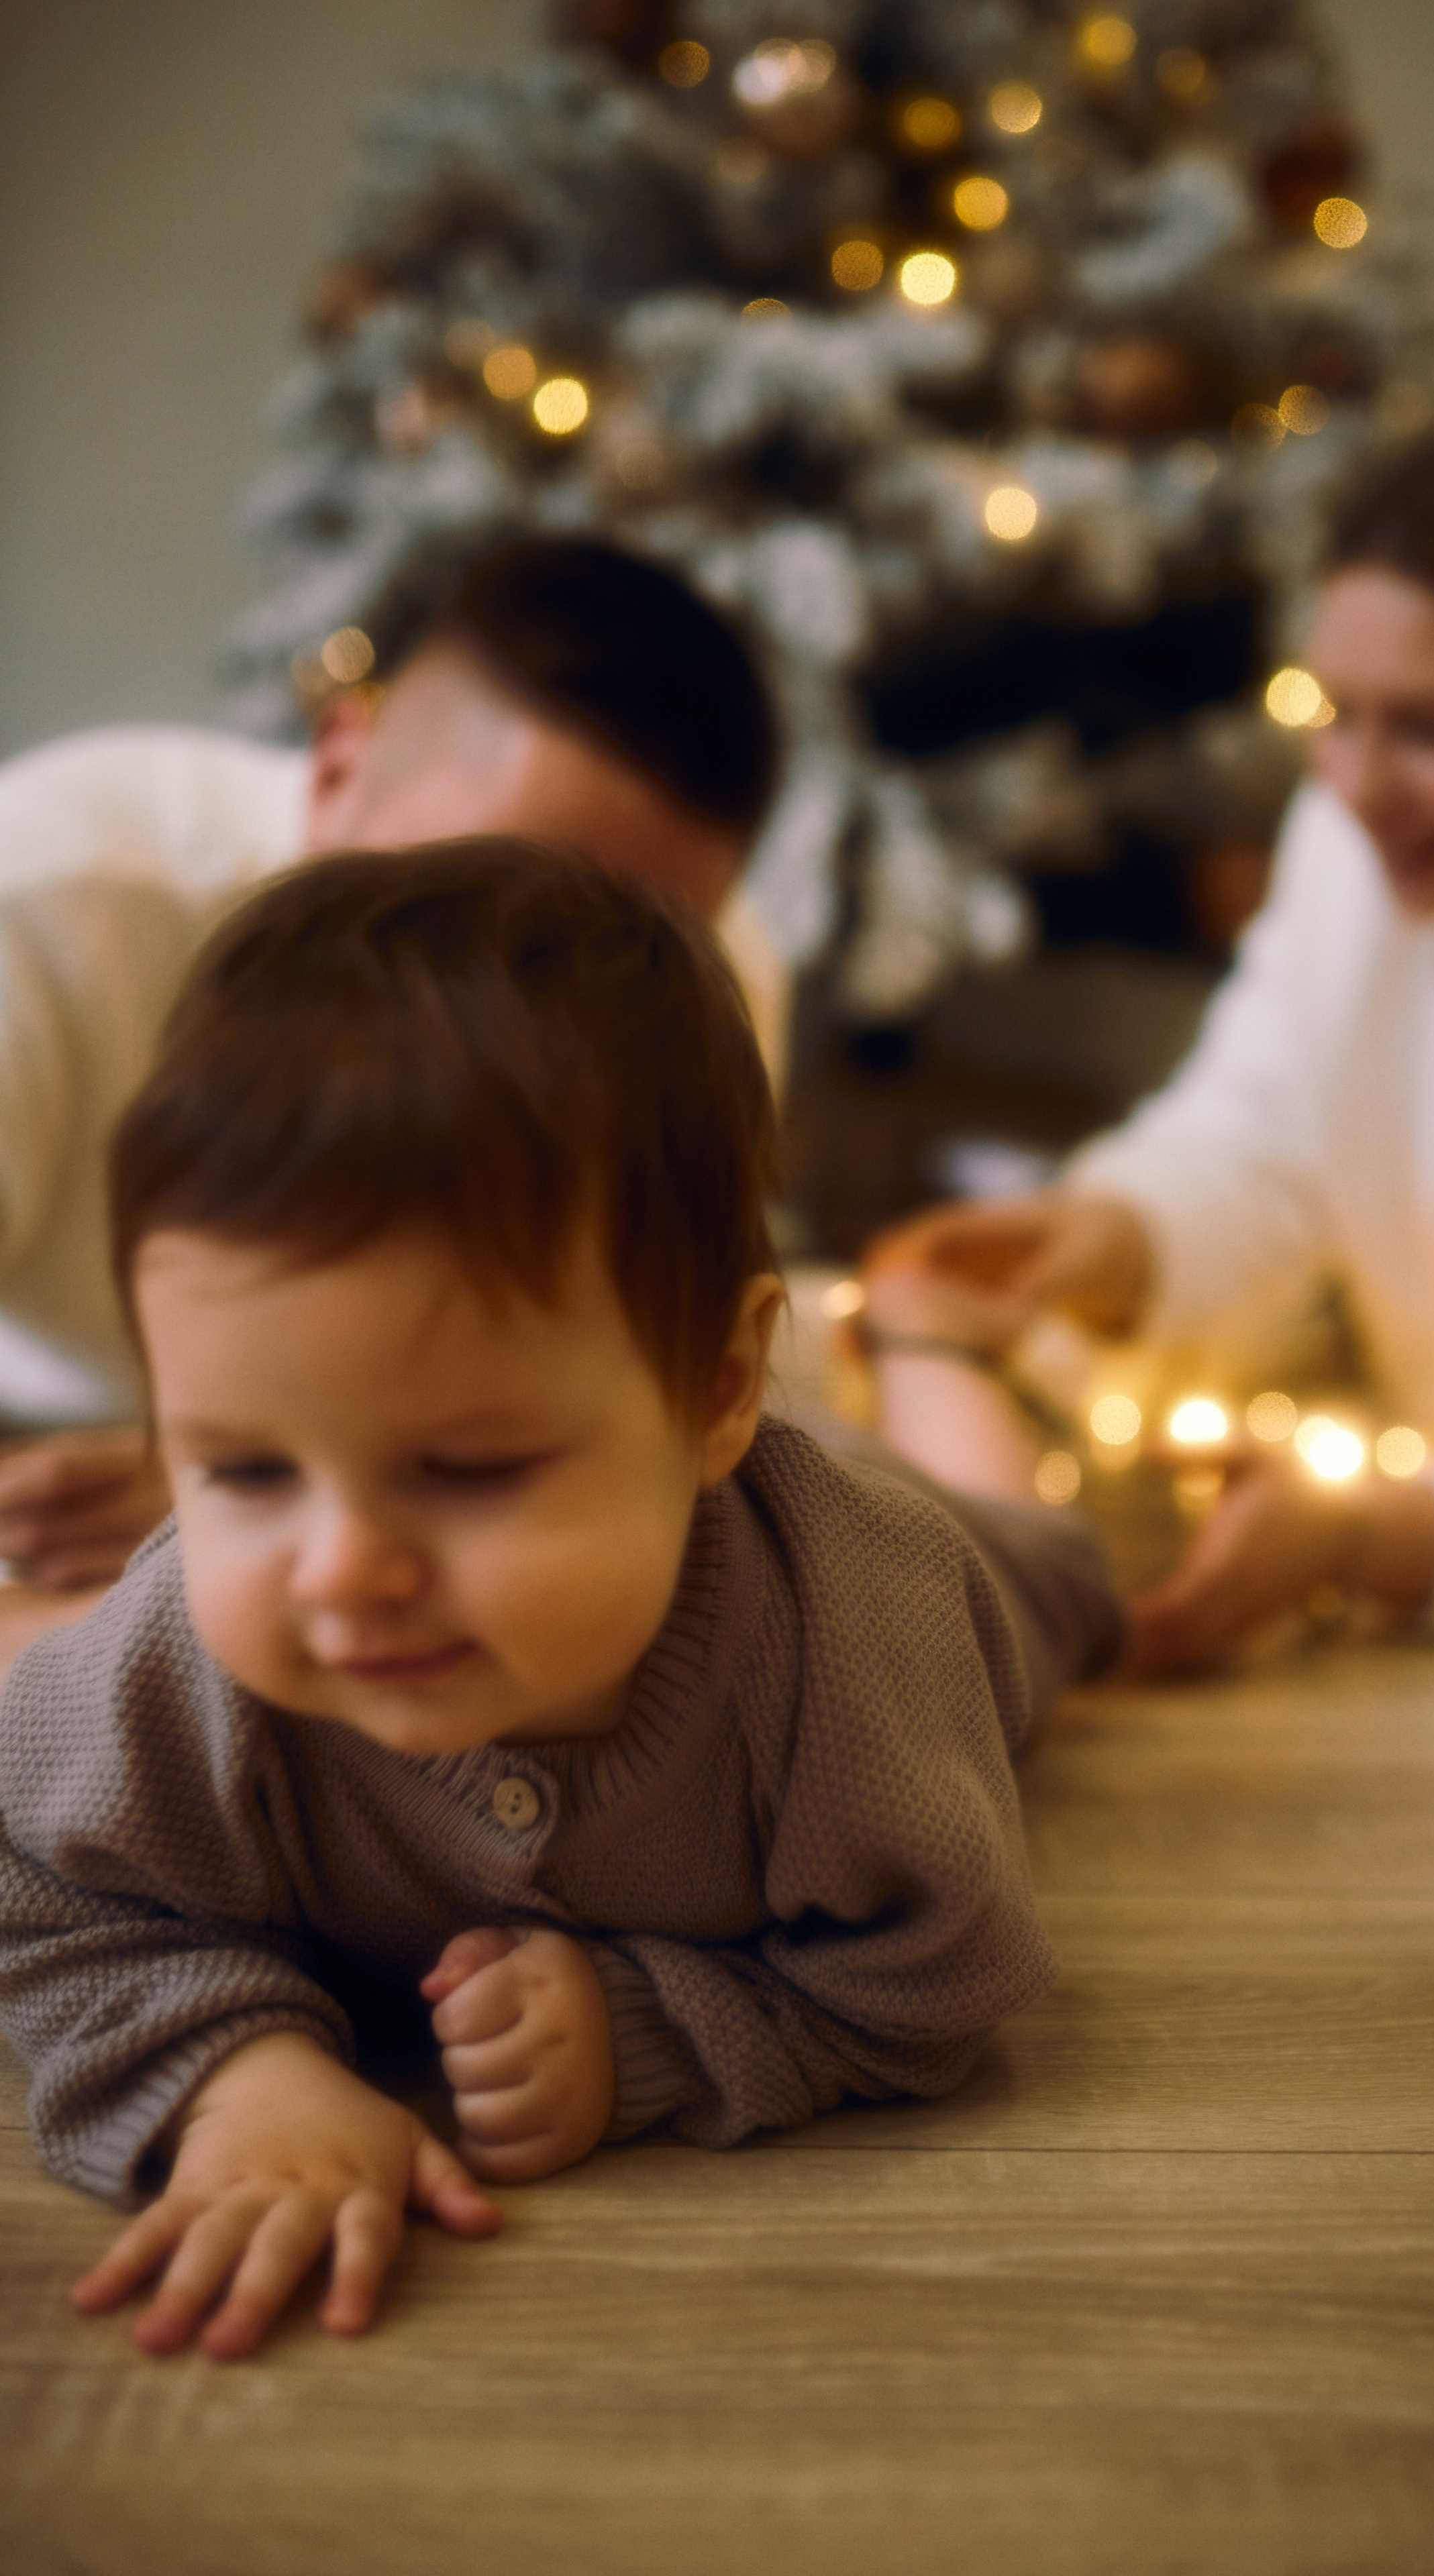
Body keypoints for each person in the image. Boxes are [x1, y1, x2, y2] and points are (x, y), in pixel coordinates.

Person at [0, 841, 1119, 2360]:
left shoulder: (862, 1629)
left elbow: (931, 1982)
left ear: (722, 1388)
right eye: (248, 1468)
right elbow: (40, 1888)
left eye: (464, 1470)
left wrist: (646, 2033)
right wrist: (239, 2071)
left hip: (948, 1557)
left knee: (1059, 1559)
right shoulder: (178, 1660)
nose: (338, 1573)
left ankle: (932, 1348)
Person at [864, 410, 1434, 1664]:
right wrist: (1102, 1238)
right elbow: (1259, 1129)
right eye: (1334, 712)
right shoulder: (1359, 854)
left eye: (1433, 729)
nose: (1354, 788)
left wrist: (1357, 1539)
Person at [0, 531, 786, 1625]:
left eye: (610, 948)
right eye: (467, 892)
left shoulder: (712, 981)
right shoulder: (42, 905)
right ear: (336, 765)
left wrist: (268, 1484)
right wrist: (248, 1481)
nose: (531, 1011)